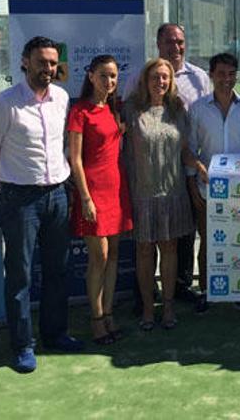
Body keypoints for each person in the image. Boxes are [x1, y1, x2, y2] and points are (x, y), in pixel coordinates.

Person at [0, 36, 83, 373]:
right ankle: (22, 346)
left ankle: (55, 334)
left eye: (52, 63)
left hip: (57, 196)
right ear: (25, 62)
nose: (48, 69)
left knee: (57, 270)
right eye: (41, 62)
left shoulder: (62, 98)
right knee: (20, 276)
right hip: (20, 201)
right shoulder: (3, 104)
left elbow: (61, 144)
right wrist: (6, 181)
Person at [124, 58, 204, 331]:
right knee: (145, 251)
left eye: (165, 78)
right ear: (145, 80)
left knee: (170, 249)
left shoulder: (178, 110)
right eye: (155, 77)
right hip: (143, 194)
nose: (160, 82)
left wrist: (199, 165)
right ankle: (148, 308)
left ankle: (168, 306)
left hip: (173, 192)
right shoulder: (130, 110)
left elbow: (184, 150)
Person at [188, 53, 240, 314]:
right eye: (221, 74)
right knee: (208, 242)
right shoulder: (198, 108)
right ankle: (207, 291)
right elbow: (189, 150)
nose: (226, 79)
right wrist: (192, 181)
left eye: (231, 74)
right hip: (207, 189)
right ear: (211, 75)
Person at [67, 55, 134, 345]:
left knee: (115, 255)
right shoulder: (79, 111)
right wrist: (85, 198)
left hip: (117, 189)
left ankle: (108, 315)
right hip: (92, 191)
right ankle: (95, 320)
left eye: (114, 76)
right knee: (100, 256)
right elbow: (75, 159)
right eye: (104, 75)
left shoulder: (113, 109)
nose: (110, 81)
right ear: (91, 76)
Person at [156, 23, 211, 305]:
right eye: (169, 42)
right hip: (154, 170)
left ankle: (182, 285)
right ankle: (155, 289)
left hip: (187, 167)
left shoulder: (200, 79)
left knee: (186, 229)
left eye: (180, 42)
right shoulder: (144, 77)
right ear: (158, 45)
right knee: (156, 232)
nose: (175, 47)